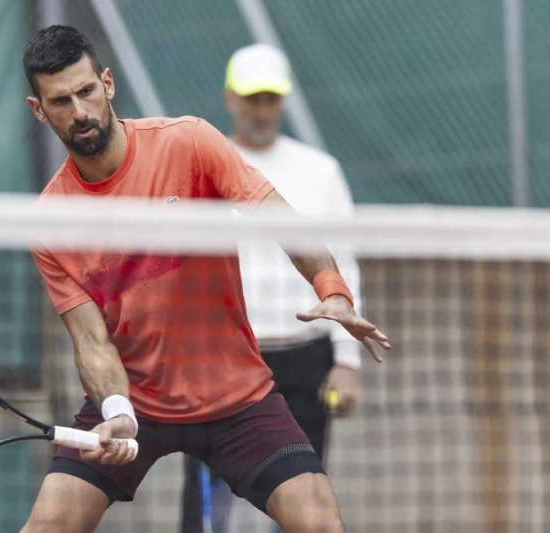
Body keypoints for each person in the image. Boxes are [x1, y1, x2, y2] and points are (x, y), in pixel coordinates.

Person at [20, 25, 389, 533]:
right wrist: (118, 410)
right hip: (136, 401)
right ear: (39, 110)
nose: (79, 112)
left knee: (321, 522)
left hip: (237, 398)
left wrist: (333, 289)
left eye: (86, 91)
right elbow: (90, 339)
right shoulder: (51, 219)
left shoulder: (189, 142)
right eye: (60, 101)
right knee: (48, 524)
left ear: (107, 83)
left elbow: (283, 221)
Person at [181, 43, 364, 533]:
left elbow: (342, 261)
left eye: (270, 97)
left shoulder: (320, 170)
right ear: (229, 98)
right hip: (220, 362)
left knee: (303, 503)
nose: (261, 108)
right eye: (251, 97)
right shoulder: (200, 162)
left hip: (305, 360)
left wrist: (347, 361)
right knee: (206, 507)